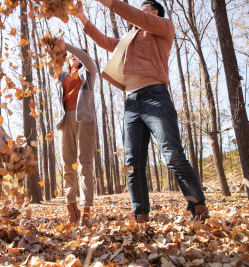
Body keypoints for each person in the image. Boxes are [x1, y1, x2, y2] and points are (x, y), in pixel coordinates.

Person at [72, 0, 209, 222]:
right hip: (131, 103)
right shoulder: (129, 41)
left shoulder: (163, 28)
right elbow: (105, 41)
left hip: (155, 97)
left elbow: (139, 18)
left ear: (154, 12)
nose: (138, 13)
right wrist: (82, 18)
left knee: (172, 154)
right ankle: (140, 214)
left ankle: (197, 204)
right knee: (132, 163)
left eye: (144, 9)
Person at [46, 39, 97, 227]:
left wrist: (68, 46)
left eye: (77, 55)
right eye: (71, 56)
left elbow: (88, 60)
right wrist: (56, 52)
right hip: (65, 120)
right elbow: (51, 69)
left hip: (84, 120)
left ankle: (86, 210)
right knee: (68, 164)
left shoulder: (88, 73)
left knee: (85, 165)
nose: (72, 57)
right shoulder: (62, 76)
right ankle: (71, 207)